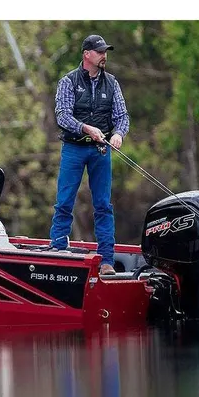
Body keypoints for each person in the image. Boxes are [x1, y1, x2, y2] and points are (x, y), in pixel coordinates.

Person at [48, 34, 130, 275]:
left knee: (103, 205)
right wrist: (86, 128)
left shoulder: (112, 83)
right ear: (87, 55)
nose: (104, 56)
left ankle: (106, 260)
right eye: (100, 51)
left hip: (100, 150)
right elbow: (62, 116)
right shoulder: (68, 82)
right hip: (74, 148)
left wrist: (119, 134)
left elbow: (122, 117)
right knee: (64, 201)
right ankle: (58, 247)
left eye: (105, 52)